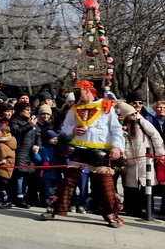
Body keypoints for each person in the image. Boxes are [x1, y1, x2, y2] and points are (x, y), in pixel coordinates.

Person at [40, 81, 126, 227]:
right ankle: (55, 209)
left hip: (101, 150)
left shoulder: (106, 107)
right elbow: (65, 127)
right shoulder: (74, 108)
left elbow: (116, 129)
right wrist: (72, 131)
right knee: (68, 182)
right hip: (78, 149)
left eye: (80, 91)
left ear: (88, 91)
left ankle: (111, 214)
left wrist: (117, 147)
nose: (77, 94)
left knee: (106, 185)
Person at [119, 102, 165, 220]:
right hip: (130, 159)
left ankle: (148, 209)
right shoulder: (122, 124)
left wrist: (160, 154)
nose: (134, 116)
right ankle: (133, 209)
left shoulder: (142, 122)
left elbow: (155, 136)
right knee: (131, 185)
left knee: (147, 184)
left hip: (145, 158)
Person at [9, 101, 39, 209]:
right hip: (20, 150)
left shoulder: (31, 121)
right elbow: (16, 132)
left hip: (30, 152)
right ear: (19, 110)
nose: (29, 112)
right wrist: (29, 125)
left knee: (27, 174)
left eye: (30, 110)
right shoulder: (14, 120)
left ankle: (23, 196)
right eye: (26, 110)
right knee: (19, 174)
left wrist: (37, 145)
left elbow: (37, 134)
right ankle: (18, 197)